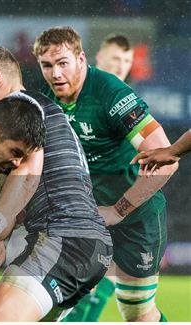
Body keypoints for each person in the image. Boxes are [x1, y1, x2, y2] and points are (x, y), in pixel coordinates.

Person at [0, 46, 112, 321]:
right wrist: (1, 235)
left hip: (62, 239)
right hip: (88, 243)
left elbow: (28, 174)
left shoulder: (26, 108)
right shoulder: (39, 111)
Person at [33, 26, 178, 322]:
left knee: (137, 312)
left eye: (63, 63)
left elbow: (166, 159)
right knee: (44, 302)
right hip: (85, 219)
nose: (56, 74)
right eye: (47, 66)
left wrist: (118, 210)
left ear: (82, 59)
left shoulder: (110, 94)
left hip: (135, 217)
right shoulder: (46, 101)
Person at [64, 33, 134, 322]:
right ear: (98, 59)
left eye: (127, 61)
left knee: (103, 283)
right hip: (84, 203)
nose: (122, 66)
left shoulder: (128, 103)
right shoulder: (83, 100)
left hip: (119, 204)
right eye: (116, 58)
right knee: (91, 282)